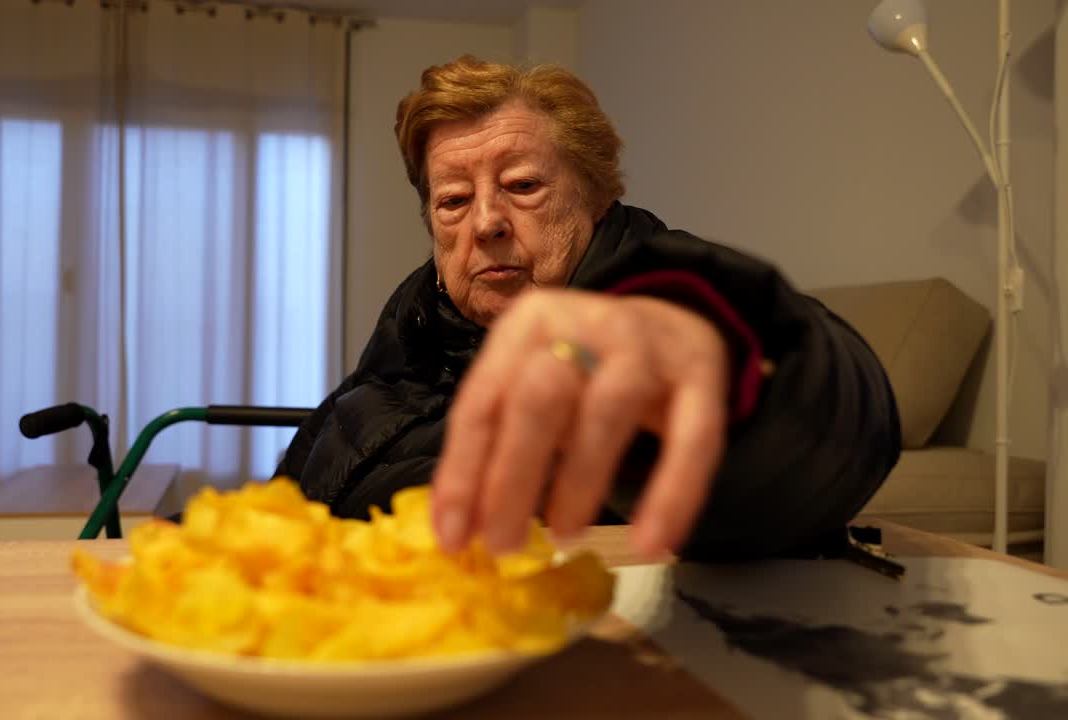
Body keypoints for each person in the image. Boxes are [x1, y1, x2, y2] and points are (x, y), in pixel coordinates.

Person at [276, 55, 900, 561]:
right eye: (453, 201)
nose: (487, 221)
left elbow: (845, 425)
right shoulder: (415, 324)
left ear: (596, 198)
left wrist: (732, 376)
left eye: (523, 186)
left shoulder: (667, 295)